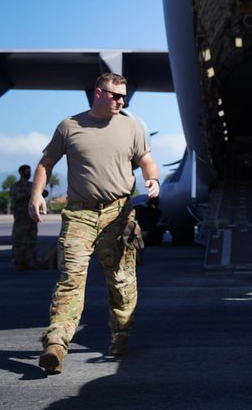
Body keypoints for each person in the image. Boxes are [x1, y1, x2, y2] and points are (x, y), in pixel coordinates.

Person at [29, 73, 160, 375]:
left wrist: (152, 178)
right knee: (70, 279)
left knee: (121, 281)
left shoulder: (132, 126)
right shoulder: (69, 126)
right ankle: (56, 344)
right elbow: (46, 163)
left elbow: (146, 158)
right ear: (98, 93)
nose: (121, 101)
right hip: (79, 215)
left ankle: (121, 334)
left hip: (119, 215)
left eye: (124, 96)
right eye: (116, 96)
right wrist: (36, 194)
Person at [8, 164, 38, 270]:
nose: (28, 173)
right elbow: (16, 197)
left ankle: (28, 261)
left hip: (31, 217)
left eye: (29, 171)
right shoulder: (16, 186)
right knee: (19, 240)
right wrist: (29, 194)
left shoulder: (32, 185)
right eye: (26, 171)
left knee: (31, 240)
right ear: (21, 173)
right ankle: (18, 262)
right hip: (21, 218)